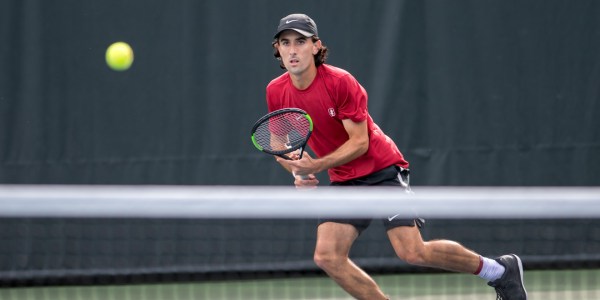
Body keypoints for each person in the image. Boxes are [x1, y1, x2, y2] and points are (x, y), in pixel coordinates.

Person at [265, 13, 528, 300]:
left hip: (381, 169)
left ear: (316, 46)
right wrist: (296, 171)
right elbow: (279, 142)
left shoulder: (340, 82)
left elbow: (360, 143)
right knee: (328, 256)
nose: (293, 50)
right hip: (344, 180)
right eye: (285, 42)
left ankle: (500, 271)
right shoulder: (276, 91)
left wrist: (315, 164)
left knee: (412, 251)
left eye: (300, 42)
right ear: (278, 48)